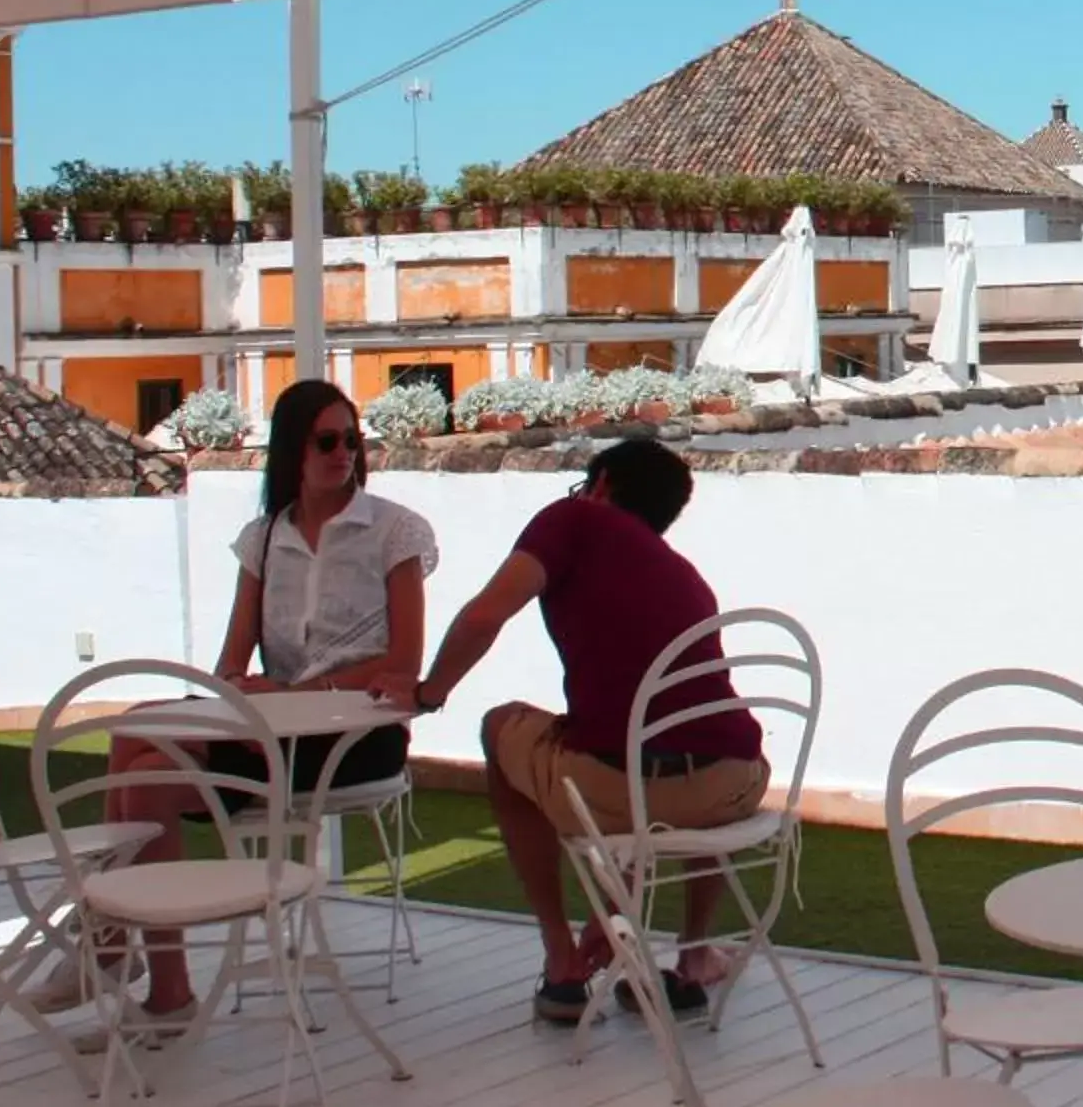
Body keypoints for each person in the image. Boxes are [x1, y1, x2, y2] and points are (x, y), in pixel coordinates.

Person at [41, 380, 434, 1024]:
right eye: (327, 440)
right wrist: (242, 701)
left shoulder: (393, 532)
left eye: (351, 440)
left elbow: (402, 666)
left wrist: (287, 695)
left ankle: (111, 941)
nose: (343, 453)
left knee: (143, 750)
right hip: (270, 731)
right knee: (139, 761)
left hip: (353, 736)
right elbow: (232, 659)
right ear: (292, 451)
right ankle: (161, 984)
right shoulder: (265, 537)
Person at [409, 438, 766, 1024]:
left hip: (622, 786)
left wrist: (430, 692)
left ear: (600, 486)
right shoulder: (683, 575)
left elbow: (484, 614)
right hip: (729, 785)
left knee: (503, 730)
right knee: (661, 755)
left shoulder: (574, 519)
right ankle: (695, 954)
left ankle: (561, 959)